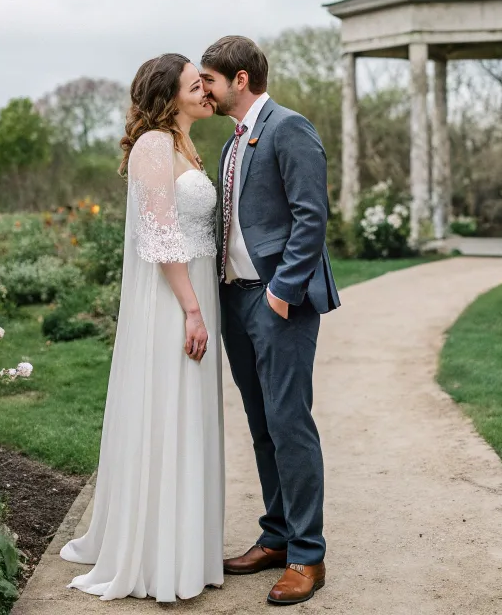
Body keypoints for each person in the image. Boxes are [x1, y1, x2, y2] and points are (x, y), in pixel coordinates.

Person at [60, 54, 224, 601]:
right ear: (168, 95)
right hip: (174, 297)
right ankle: (158, 557)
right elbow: (160, 235)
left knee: (190, 414)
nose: (205, 92)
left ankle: (188, 547)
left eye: (204, 84)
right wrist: (192, 309)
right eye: (195, 85)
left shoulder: (185, 143)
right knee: (168, 409)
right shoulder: (154, 145)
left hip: (195, 288)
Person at [200, 35, 340, 607]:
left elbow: (312, 216)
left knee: (289, 423)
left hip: (278, 300)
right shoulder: (233, 141)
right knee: (261, 424)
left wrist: (282, 290)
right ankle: (277, 536)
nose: (203, 90)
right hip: (235, 300)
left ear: (239, 79)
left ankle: (308, 555)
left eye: (209, 79)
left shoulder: (289, 127)